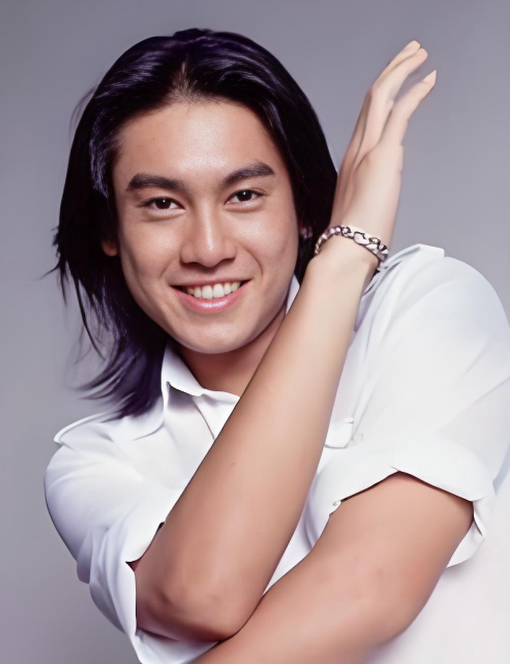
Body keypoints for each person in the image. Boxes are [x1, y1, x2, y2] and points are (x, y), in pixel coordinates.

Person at [43, 28, 510, 664]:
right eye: (162, 203)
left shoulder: (428, 306)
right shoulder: (95, 464)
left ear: (306, 205)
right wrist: (341, 261)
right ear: (110, 230)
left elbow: (370, 586)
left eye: (244, 196)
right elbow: (204, 595)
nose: (208, 249)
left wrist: (342, 261)